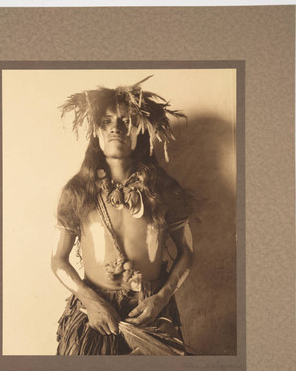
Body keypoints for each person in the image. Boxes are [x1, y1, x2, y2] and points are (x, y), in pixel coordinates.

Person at [51, 76, 194, 355]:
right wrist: (89, 300)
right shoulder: (77, 191)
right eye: (106, 121)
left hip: (150, 311)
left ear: (141, 129)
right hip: (93, 315)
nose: (116, 128)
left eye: (126, 120)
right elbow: (57, 259)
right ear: (95, 130)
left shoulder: (165, 190)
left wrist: (161, 299)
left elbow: (187, 252)